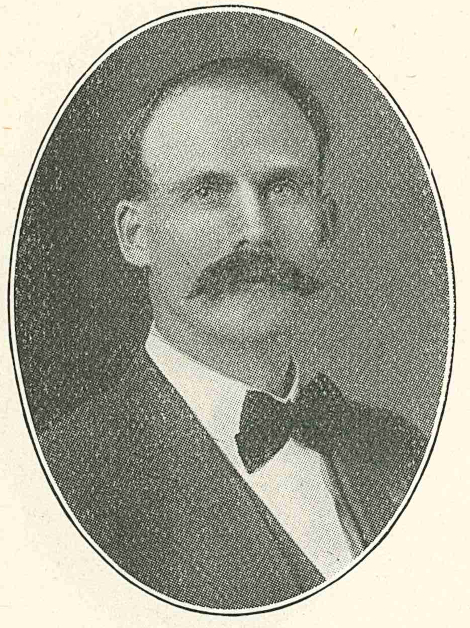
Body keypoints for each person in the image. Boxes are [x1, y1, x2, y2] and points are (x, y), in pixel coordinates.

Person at [39, 54, 427, 610]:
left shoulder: (401, 452)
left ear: (326, 221)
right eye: (208, 192)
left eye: (284, 188)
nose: (256, 229)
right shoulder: (66, 481)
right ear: (135, 236)